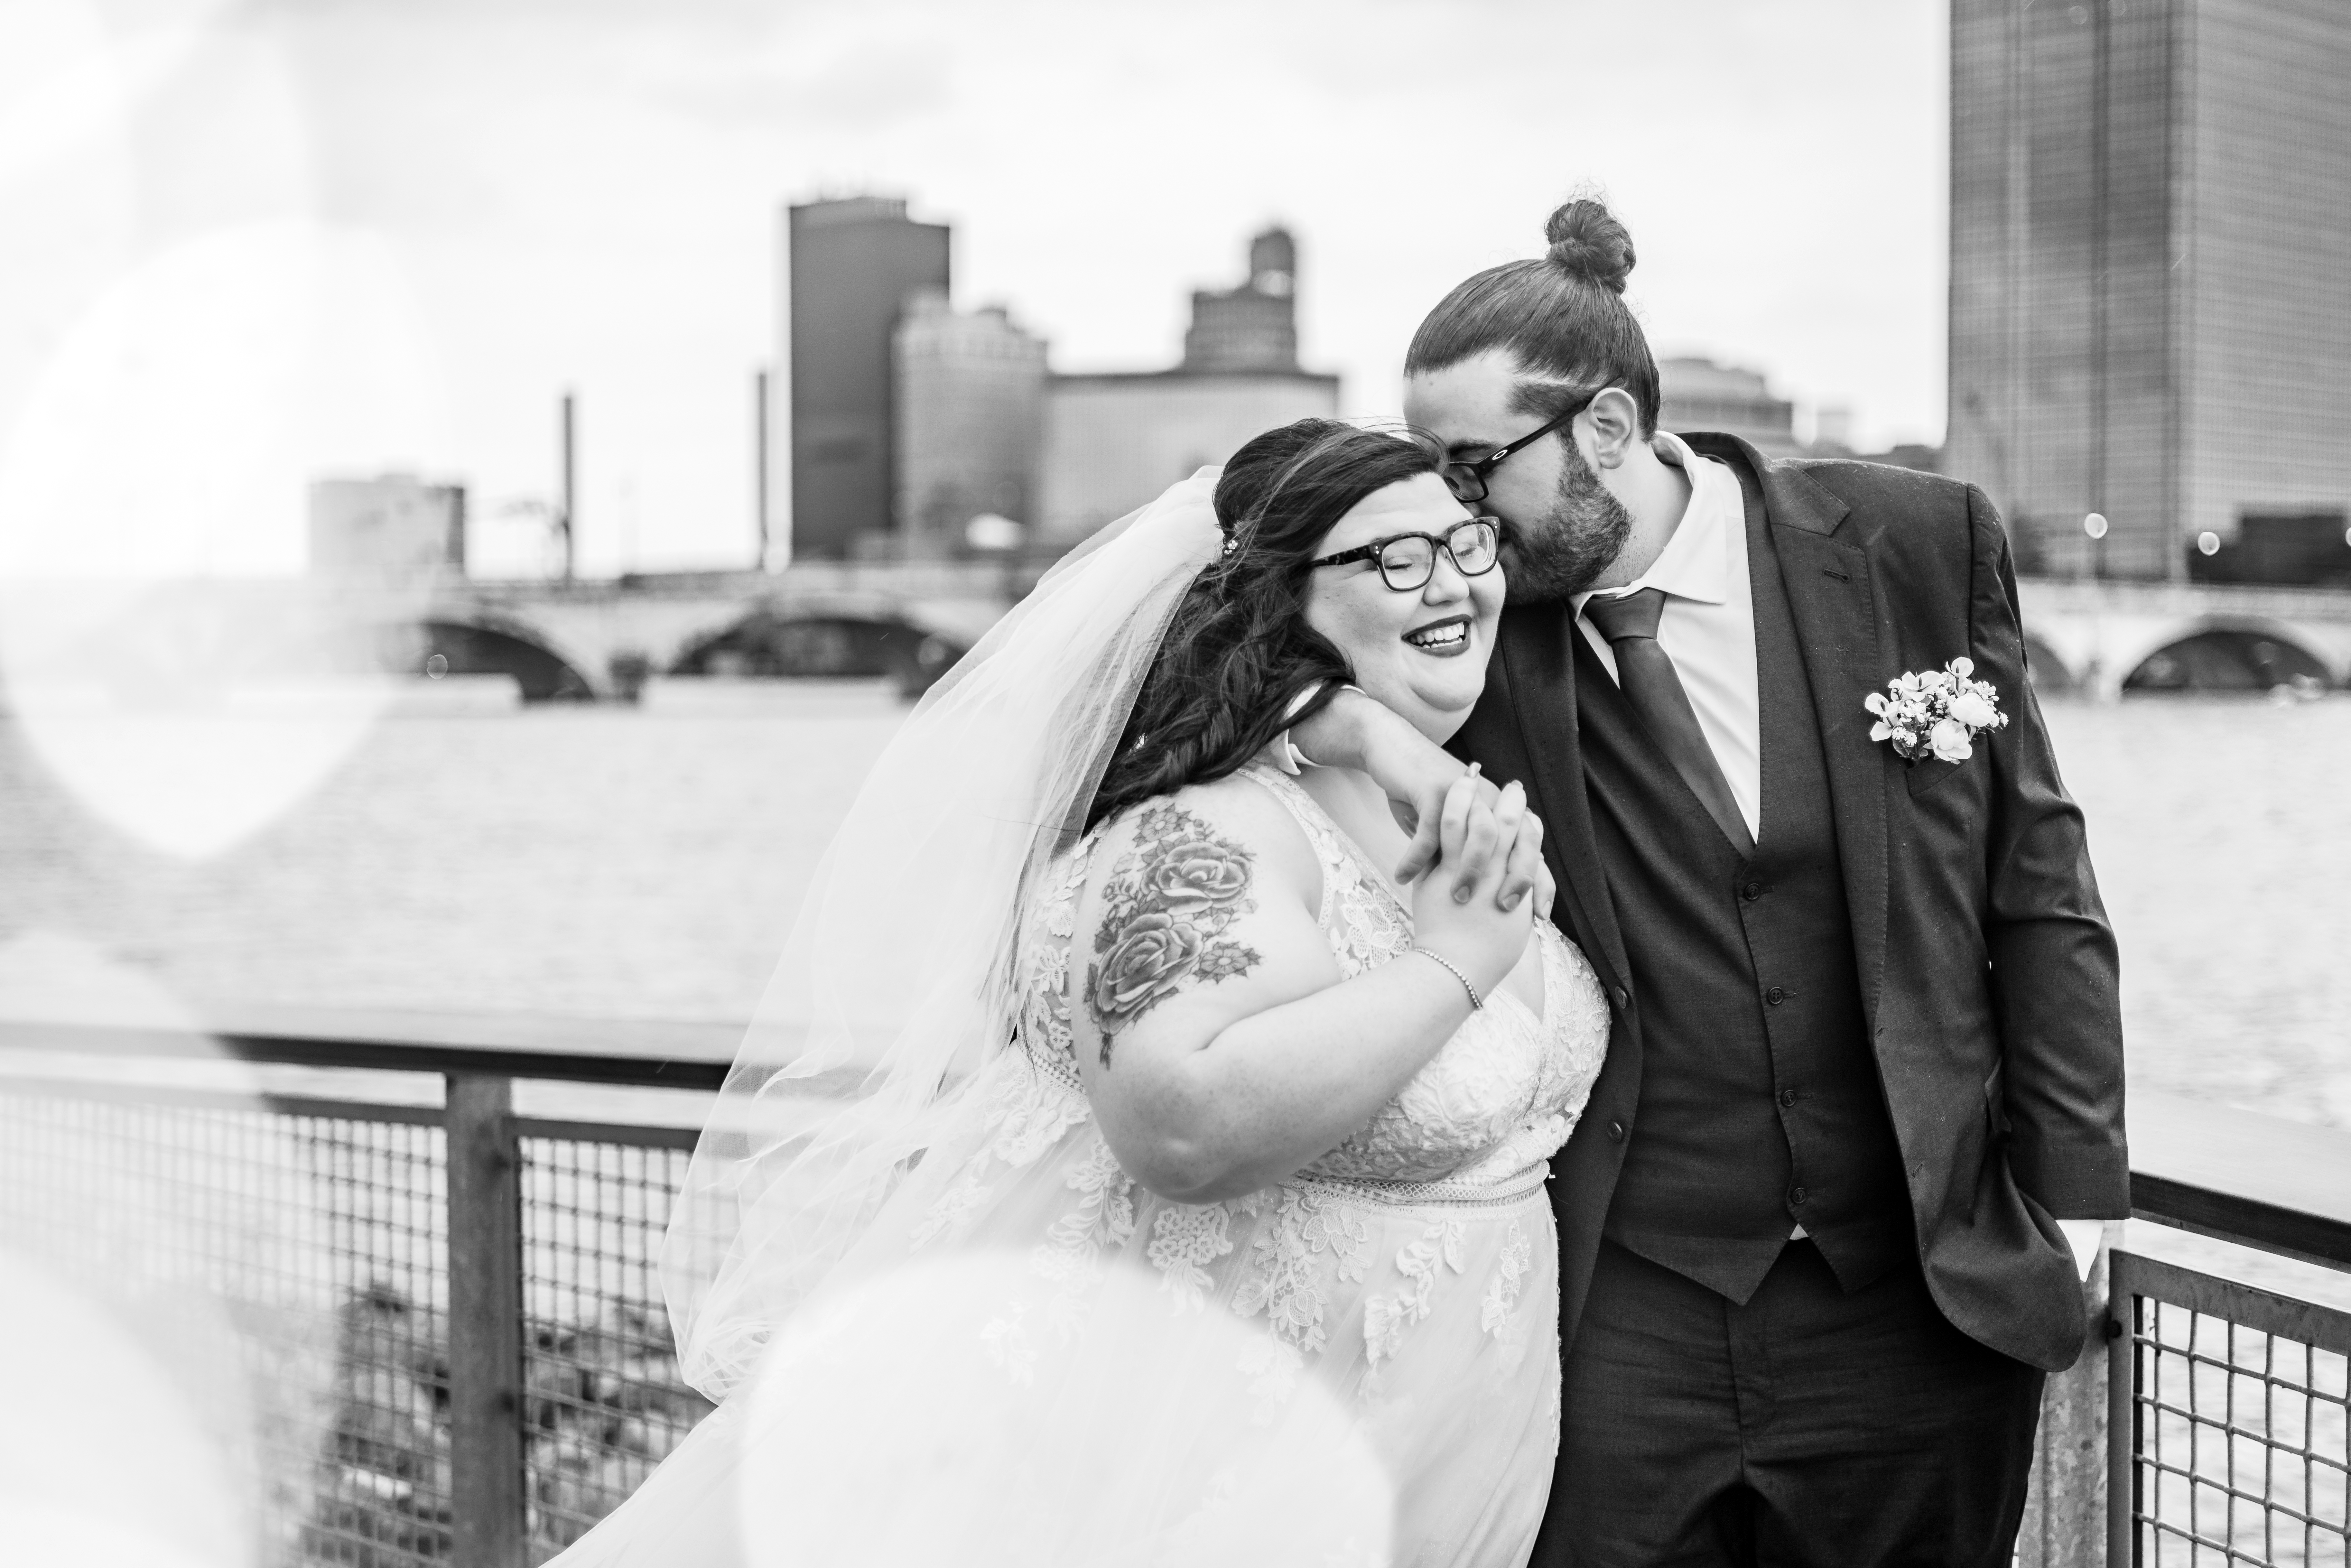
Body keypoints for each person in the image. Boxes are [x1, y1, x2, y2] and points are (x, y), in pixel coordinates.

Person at [547, 421, 1610, 1568]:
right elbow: (1180, 1117)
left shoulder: (1431, 786)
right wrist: (1449, 964)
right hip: (1173, 1481)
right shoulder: (1204, 826)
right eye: (1395, 559)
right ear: (1279, 599)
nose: (1452, 581)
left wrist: (1351, 723)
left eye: (1465, 543)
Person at [1296, 199, 2130, 1566]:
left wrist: (2080, 1201)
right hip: (1625, 1315)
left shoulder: (1913, 545)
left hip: (1918, 1308)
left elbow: (2041, 883)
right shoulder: (1472, 627)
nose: (1451, 513)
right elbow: (1236, 647)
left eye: (1472, 466)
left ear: (1607, 432)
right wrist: (1359, 726)